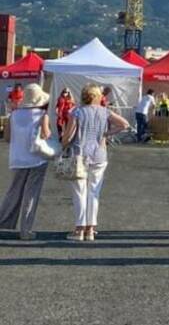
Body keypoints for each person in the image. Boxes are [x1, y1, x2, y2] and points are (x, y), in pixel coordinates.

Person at [61, 84, 130, 241]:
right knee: (94, 192)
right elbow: (124, 124)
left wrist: (62, 144)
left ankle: (79, 229)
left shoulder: (77, 112)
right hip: (99, 155)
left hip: (79, 154)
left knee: (79, 192)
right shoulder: (105, 111)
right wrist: (106, 133)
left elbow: (68, 137)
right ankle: (90, 229)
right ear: (98, 96)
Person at [0, 84, 52, 240]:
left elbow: (7, 138)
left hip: (18, 158)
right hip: (36, 158)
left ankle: (4, 222)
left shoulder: (13, 115)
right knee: (31, 194)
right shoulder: (42, 115)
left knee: (13, 192)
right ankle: (26, 230)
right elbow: (46, 135)